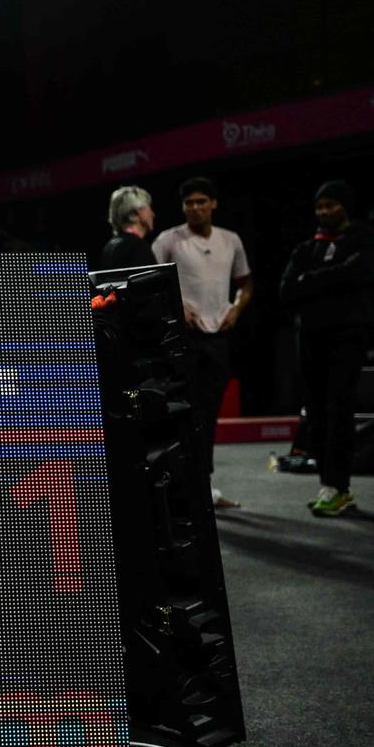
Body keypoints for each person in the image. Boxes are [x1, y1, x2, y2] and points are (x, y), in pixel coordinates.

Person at [281, 180, 374, 517]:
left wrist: (310, 282)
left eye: (331, 205)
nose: (324, 211)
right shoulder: (306, 248)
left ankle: (341, 487)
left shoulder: (365, 239)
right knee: (317, 414)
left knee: (340, 411)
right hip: (309, 339)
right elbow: (286, 291)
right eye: (320, 206)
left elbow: (362, 273)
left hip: (347, 337)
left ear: (345, 206)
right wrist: (335, 276)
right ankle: (329, 485)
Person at [153, 176, 254, 508]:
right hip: (183, 339)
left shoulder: (231, 240)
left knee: (209, 414)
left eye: (200, 201)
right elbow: (147, 282)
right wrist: (177, 304)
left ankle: (205, 485)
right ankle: (179, 487)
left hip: (218, 338)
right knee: (184, 413)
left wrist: (237, 308)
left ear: (213, 204)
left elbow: (246, 284)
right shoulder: (169, 241)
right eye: (188, 203)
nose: (194, 208)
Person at [99, 186, 156, 270]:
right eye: (148, 207)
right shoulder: (137, 248)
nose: (152, 213)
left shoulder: (110, 246)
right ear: (135, 213)